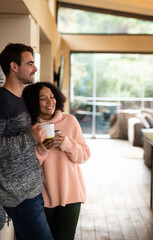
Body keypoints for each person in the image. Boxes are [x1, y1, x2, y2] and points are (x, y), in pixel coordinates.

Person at [0, 43, 53, 240]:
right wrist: (29, 138)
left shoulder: (18, 98)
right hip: (19, 196)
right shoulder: (1, 101)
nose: (35, 68)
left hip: (31, 191)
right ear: (14, 66)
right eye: (30, 63)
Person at [23, 82, 91, 240]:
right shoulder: (30, 128)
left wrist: (67, 143)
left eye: (52, 97)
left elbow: (85, 155)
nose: (50, 101)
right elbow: (26, 166)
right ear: (34, 102)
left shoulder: (70, 121)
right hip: (41, 198)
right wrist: (42, 149)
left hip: (71, 196)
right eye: (43, 98)